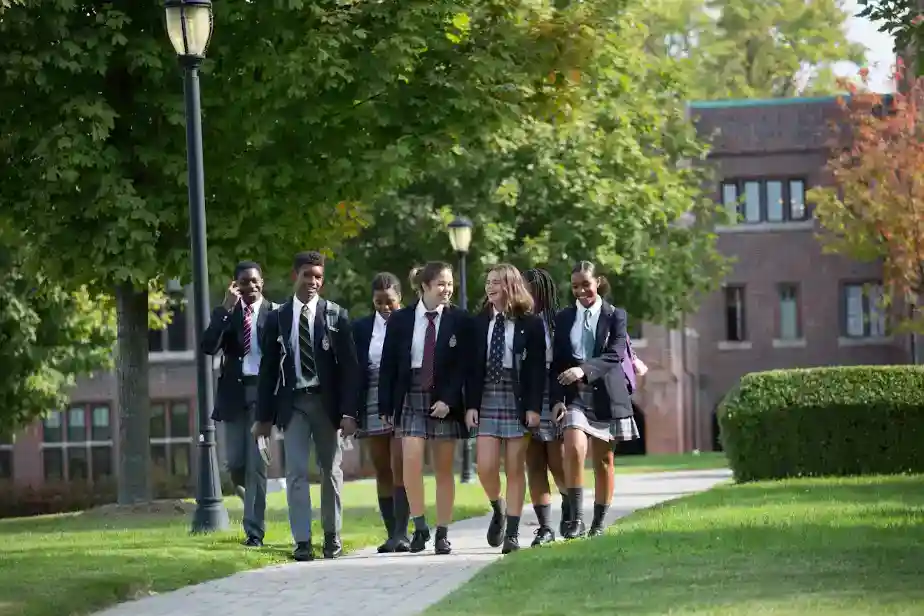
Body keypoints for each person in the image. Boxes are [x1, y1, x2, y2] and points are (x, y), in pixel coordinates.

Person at [252, 251, 359, 562]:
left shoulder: (336, 315)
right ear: (294, 276)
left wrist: (350, 413)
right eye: (307, 275)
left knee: (331, 471)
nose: (313, 282)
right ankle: (302, 541)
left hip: (328, 405)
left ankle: (331, 536)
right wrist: (263, 417)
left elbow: (350, 369)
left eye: (318, 277)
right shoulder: (278, 317)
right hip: (294, 404)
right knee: (296, 472)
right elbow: (268, 369)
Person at [378, 261, 468, 555]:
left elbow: (461, 368)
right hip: (411, 396)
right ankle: (420, 527)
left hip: (444, 397)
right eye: (441, 284)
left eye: (450, 284)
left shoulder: (459, 319)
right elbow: (389, 366)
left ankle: (442, 533)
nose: (447, 289)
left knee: (444, 470)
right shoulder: (401, 320)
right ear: (424, 287)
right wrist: (385, 404)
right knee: (410, 465)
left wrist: (450, 400)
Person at [550, 260, 639, 539]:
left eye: (585, 285)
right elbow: (557, 362)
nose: (580, 291)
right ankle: (575, 518)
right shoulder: (563, 318)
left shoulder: (616, 315)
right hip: (574, 394)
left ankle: (598, 523)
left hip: (607, 393)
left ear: (597, 281)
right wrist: (556, 398)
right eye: (575, 286)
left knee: (603, 460)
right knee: (574, 448)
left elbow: (615, 354)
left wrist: (584, 370)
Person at [465, 264, 545, 553]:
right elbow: (470, 370)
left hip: (517, 398)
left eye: (496, 282)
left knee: (514, 467)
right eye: (488, 282)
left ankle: (512, 533)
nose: (490, 287)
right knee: (485, 467)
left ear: (511, 285)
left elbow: (536, 370)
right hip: (486, 396)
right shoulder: (478, 322)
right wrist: (470, 405)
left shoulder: (531, 324)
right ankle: (497, 507)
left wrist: (534, 408)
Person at [201, 261, 277, 548]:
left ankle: (254, 531)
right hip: (234, 396)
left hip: (262, 394)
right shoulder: (227, 314)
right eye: (244, 282)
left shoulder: (275, 314)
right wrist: (224, 309)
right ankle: (252, 504)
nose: (251, 286)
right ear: (236, 285)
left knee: (256, 465)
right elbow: (209, 346)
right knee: (234, 463)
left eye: (255, 281)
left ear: (262, 282)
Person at [352, 272, 409, 553]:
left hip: (401, 398)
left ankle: (403, 532)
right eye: (379, 303)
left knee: (401, 465)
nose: (385, 308)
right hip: (372, 398)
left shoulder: (411, 323)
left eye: (390, 302)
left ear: (400, 299)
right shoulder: (362, 328)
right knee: (382, 467)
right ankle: (391, 533)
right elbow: (354, 370)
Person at [522, 267, 568, 546]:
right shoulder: (517, 321)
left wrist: (560, 397)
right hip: (525, 395)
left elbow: (564, 362)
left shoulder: (557, 322)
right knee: (534, 462)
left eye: (528, 288)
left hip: (553, 395)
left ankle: (570, 508)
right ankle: (545, 527)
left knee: (557, 461)